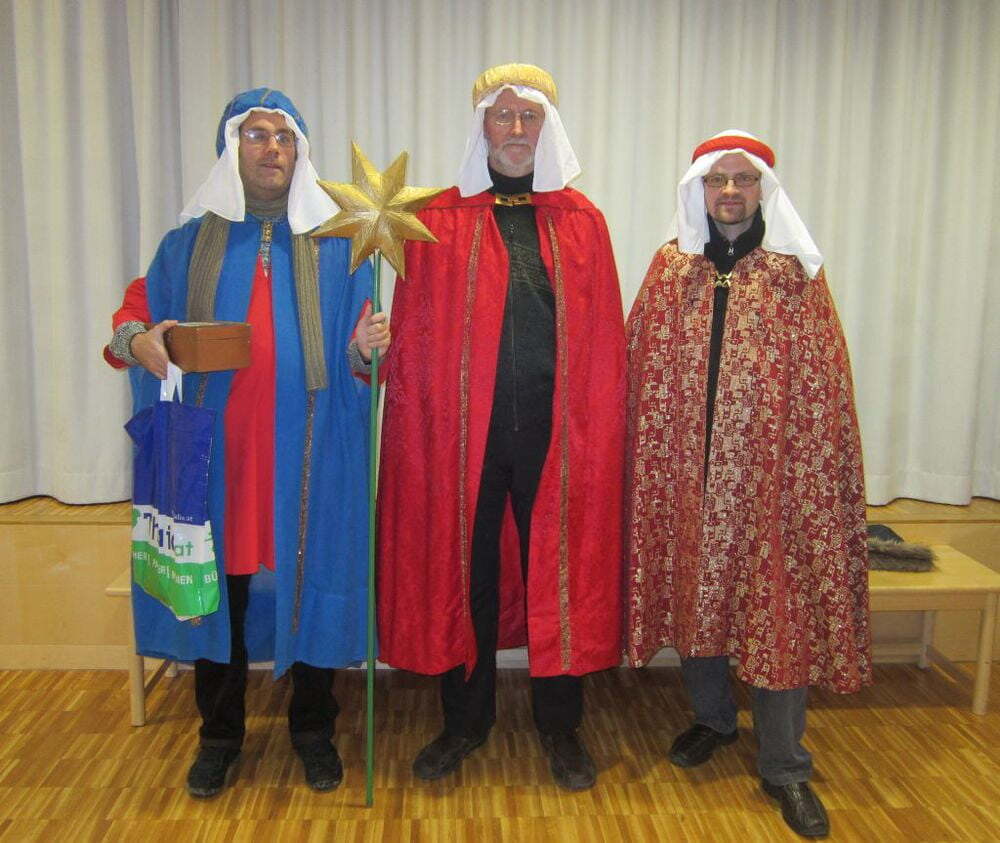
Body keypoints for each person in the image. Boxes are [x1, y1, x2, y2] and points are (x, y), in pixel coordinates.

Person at [104, 88, 390, 798]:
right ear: (231, 149)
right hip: (216, 461)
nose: (271, 148)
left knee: (314, 576)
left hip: (310, 453)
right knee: (217, 592)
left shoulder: (341, 244)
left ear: (300, 152)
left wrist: (365, 348)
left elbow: (366, 356)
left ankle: (314, 730)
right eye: (256, 135)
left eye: (284, 137)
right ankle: (219, 735)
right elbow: (132, 321)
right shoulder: (186, 245)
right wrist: (139, 340)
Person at [376, 63, 625, 791]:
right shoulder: (435, 220)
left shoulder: (582, 221)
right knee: (468, 574)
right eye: (503, 116)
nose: (517, 130)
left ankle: (561, 725)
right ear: (481, 126)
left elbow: (603, 343)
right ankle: (464, 721)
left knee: (559, 574)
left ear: (548, 128)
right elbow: (413, 338)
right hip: (465, 440)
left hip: (556, 438)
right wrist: (376, 354)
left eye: (530, 117)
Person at [624, 130, 871, 838]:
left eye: (743, 179)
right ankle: (713, 718)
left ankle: (785, 765)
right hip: (688, 475)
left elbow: (824, 385)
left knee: (775, 613)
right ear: (699, 189)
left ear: (763, 188)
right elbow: (639, 363)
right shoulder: (671, 270)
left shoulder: (794, 274)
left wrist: (805, 475)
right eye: (716, 180)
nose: (729, 191)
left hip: (771, 484)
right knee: (697, 595)